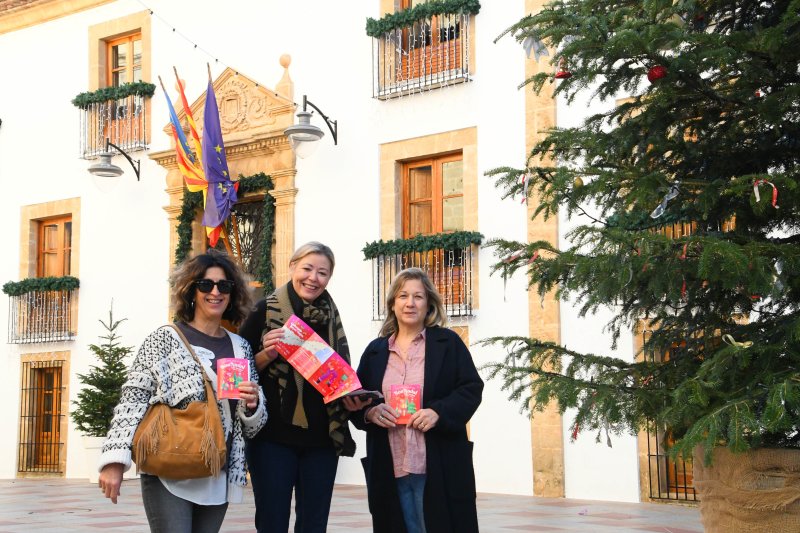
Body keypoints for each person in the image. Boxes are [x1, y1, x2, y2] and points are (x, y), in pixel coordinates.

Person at [98, 251, 268, 533]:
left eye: (224, 286)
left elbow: (251, 426)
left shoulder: (241, 347)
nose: (215, 292)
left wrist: (252, 405)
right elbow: (133, 399)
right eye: (206, 285)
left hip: (216, 471)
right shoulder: (164, 338)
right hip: (169, 467)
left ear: (232, 294)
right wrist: (114, 462)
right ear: (191, 291)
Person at [345, 267, 483, 533]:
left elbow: (471, 388)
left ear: (429, 303)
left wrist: (438, 413)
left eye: (418, 296)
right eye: (403, 296)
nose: (410, 303)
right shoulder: (375, 351)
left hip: (437, 462)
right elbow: (357, 399)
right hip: (390, 462)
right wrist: (370, 413)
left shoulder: (448, 343)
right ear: (392, 304)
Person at [239, 241, 361, 533]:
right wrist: (266, 354)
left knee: (314, 524)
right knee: (272, 522)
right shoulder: (264, 311)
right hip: (272, 438)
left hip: (321, 438)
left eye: (322, 272)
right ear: (292, 267)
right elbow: (237, 372)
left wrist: (352, 395)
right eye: (307, 268)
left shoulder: (331, 316)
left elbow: (340, 373)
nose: (313, 278)